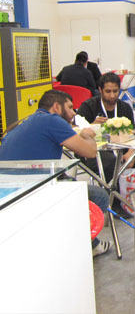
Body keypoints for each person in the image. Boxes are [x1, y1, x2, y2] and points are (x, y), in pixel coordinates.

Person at [0, 89, 113, 257]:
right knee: (99, 196)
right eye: (70, 107)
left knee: (69, 182)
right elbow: (90, 152)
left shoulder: (26, 122)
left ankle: (92, 244)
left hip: (10, 192)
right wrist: (87, 135)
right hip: (31, 191)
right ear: (56, 107)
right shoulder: (53, 121)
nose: (73, 113)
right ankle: (78, 246)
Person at [77, 72, 135, 215]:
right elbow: (76, 131)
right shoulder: (89, 106)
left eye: (115, 91)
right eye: (108, 91)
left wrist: (131, 153)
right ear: (100, 90)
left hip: (122, 147)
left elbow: (132, 133)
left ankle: (134, 197)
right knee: (111, 162)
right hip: (95, 151)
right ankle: (116, 202)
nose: (112, 95)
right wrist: (92, 125)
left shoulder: (124, 107)